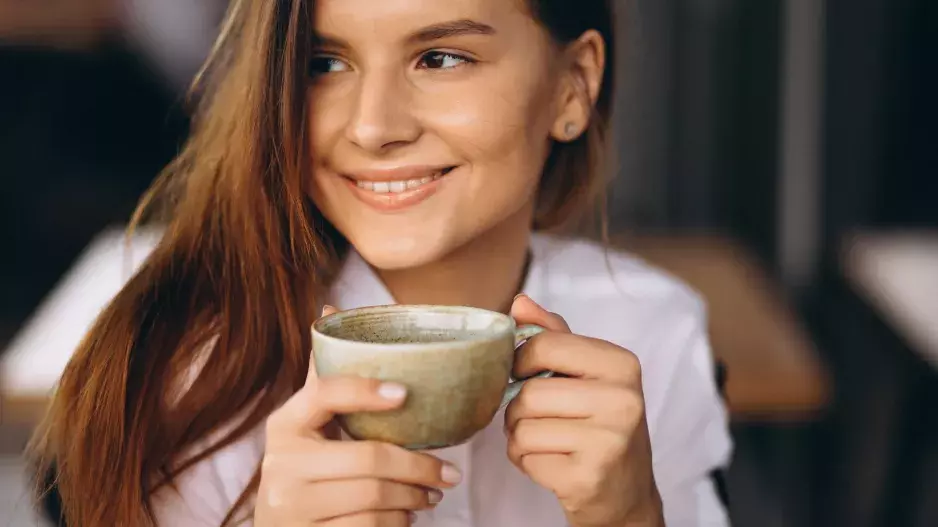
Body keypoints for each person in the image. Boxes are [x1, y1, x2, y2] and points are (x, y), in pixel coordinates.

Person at [30, 0, 732, 525]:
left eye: (441, 57)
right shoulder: (191, 383)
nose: (373, 126)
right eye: (324, 64)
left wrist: (636, 515)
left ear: (573, 86)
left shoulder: (654, 331)